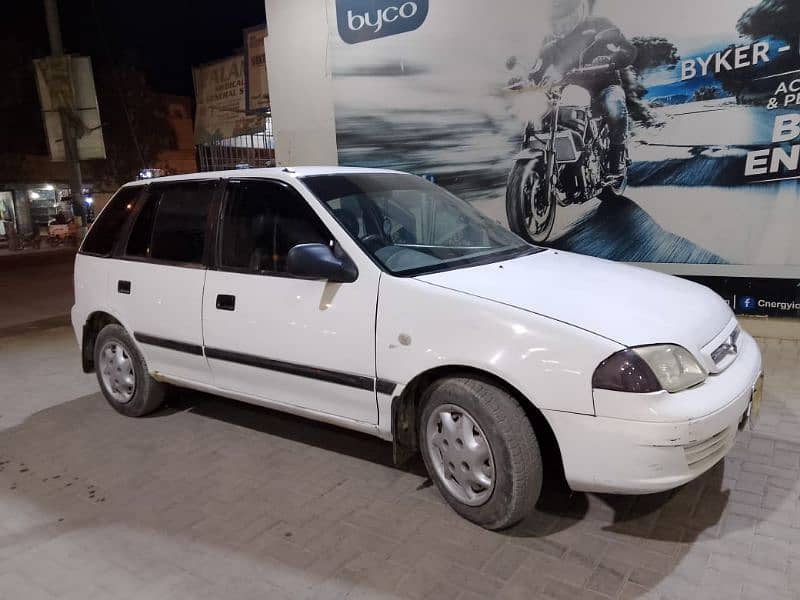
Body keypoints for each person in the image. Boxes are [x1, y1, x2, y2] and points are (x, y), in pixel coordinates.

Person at [527, 0, 637, 175]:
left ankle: (618, 154)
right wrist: (526, 78)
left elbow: (627, 49)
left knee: (614, 105)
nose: (561, 25)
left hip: (605, 84)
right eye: (556, 20)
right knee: (543, 113)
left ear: (578, 11)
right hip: (570, 91)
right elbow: (538, 68)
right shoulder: (549, 41)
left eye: (565, 18)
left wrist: (611, 59)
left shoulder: (598, 24)